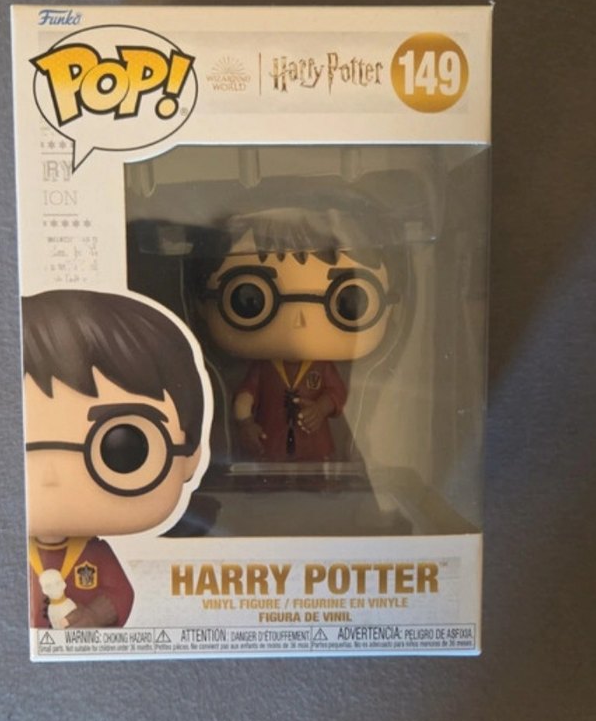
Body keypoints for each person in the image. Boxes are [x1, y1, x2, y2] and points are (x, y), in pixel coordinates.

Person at [22, 290, 207, 628]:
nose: (49, 475)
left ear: (191, 454)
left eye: (123, 449)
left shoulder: (95, 554)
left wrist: (94, 615)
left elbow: (120, 593)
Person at [197, 207, 399, 461]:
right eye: (250, 300)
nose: (299, 320)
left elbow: (336, 394)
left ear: (391, 306)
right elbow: (245, 396)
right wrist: (245, 423)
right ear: (202, 306)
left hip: (314, 445)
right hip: (270, 443)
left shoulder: (322, 367)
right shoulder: (263, 369)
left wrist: (320, 408)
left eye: (348, 301)